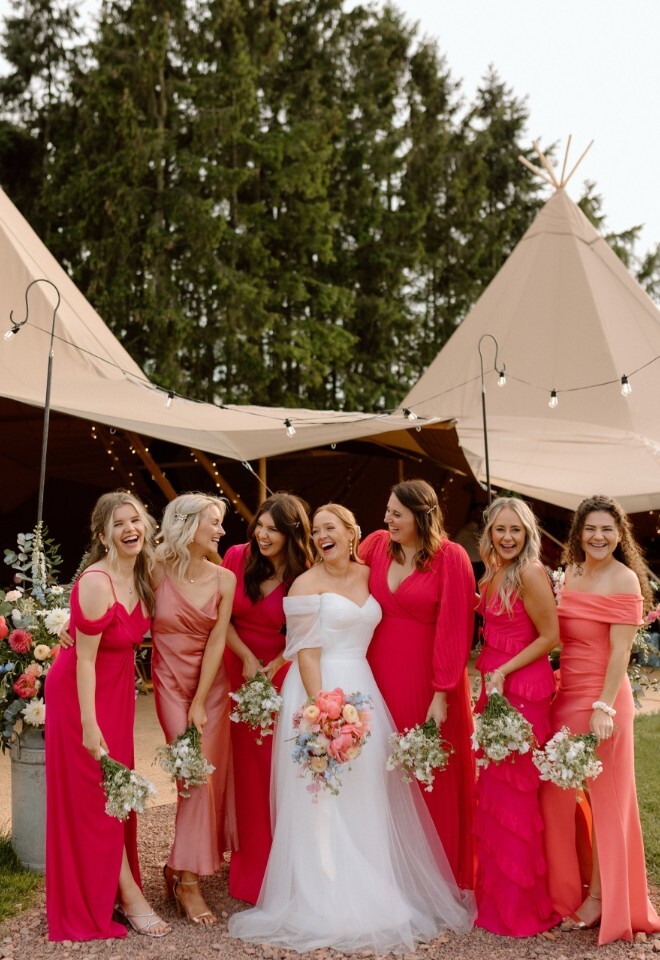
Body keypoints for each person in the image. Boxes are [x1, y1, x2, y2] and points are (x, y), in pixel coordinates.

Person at [228, 504, 475, 952]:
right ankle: (324, 893)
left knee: (367, 791)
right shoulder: (305, 583)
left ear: (351, 534)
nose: (323, 536)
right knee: (322, 798)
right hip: (318, 691)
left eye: (331, 528)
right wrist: (323, 712)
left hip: (364, 689)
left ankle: (375, 884)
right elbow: (304, 652)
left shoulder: (370, 575)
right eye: (317, 530)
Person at [45, 491, 171, 940]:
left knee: (114, 794)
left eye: (134, 519)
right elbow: (82, 660)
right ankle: (130, 897)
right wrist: (89, 723)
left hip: (116, 694)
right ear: (103, 535)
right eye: (118, 523)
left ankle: (113, 890)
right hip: (81, 696)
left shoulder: (145, 574)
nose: (129, 528)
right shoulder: (97, 582)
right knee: (98, 796)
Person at [540, 495, 660, 944]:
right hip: (565, 694)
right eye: (590, 528)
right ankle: (565, 890)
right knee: (557, 796)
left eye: (607, 529)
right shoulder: (569, 573)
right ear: (578, 532)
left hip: (603, 702)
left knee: (608, 800)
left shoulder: (625, 578)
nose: (598, 536)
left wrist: (604, 707)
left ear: (619, 533)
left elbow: (621, 652)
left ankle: (604, 900)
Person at [359, 479, 476, 889]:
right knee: (378, 766)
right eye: (388, 510)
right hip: (373, 672)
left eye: (396, 513)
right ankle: (383, 867)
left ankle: (434, 875)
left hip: (427, 679)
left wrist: (441, 692)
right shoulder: (374, 546)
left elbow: (456, 627)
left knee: (425, 769)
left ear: (420, 517)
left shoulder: (451, 558)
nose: (386, 519)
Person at [473, 497, 561, 937]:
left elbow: (551, 635)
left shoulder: (530, 572)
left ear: (528, 534)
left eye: (516, 531)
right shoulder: (493, 573)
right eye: (500, 530)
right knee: (495, 791)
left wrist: (504, 670)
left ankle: (522, 904)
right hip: (495, 688)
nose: (507, 538)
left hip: (522, 689)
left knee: (516, 798)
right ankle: (496, 897)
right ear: (489, 532)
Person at [223, 492, 314, 904]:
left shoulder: (305, 573)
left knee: (273, 769)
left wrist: (275, 665)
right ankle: (248, 867)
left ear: (292, 533)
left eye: (274, 529)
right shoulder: (237, 557)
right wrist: (244, 657)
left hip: (280, 674)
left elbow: (305, 636)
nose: (263, 534)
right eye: (260, 524)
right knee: (243, 770)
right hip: (235, 666)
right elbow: (217, 619)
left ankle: (282, 864)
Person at [153, 493, 237, 925]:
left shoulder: (224, 579)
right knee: (193, 777)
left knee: (208, 777)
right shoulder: (154, 569)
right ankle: (186, 881)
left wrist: (202, 700)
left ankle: (182, 872)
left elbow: (218, 642)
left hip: (210, 687)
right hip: (167, 682)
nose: (221, 530)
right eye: (215, 522)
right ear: (187, 524)